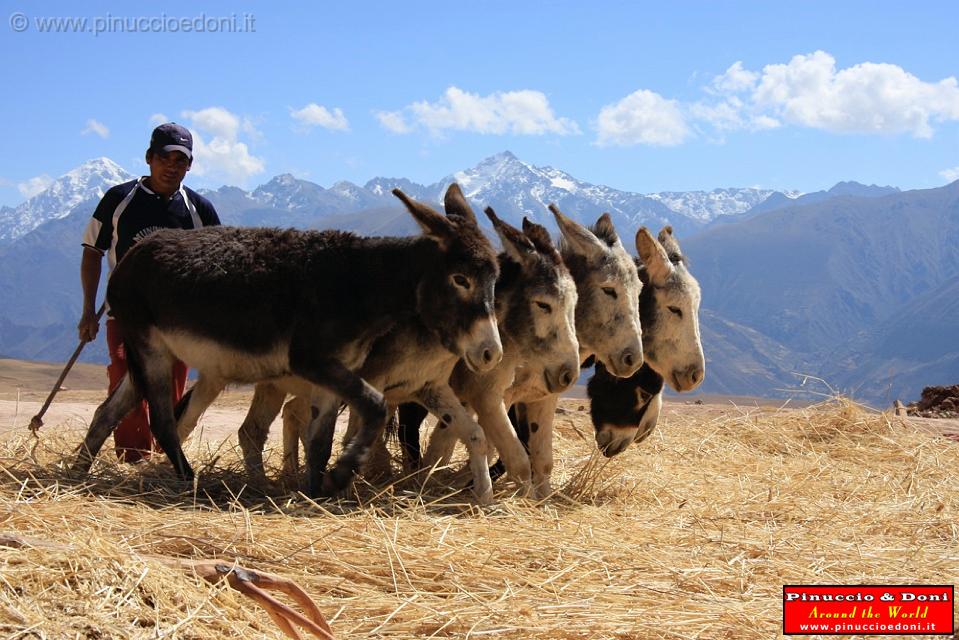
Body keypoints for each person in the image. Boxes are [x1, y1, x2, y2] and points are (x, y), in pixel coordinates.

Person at [77, 123, 221, 463]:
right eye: (164, 157)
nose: (172, 166)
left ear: (190, 165)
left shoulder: (199, 209)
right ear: (148, 158)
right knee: (126, 377)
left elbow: (219, 264)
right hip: (126, 314)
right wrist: (87, 310)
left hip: (180, 324)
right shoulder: (119, 200)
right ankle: (133, 458)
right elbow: (91, 251)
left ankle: (160, 458)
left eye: (180, 160)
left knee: (170, 387)